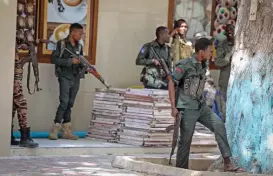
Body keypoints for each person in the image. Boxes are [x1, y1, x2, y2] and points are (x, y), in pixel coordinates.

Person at [168, 38, 243, 172]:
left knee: (219, 125)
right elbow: (171, 82)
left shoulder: (203, 64)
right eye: (209, 51)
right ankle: (181, 171)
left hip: (201, 106)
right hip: (187, 108)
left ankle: (227, 163)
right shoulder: (185, 65)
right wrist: (173, 107)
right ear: (201, 51)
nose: (211, 54)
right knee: (185, 141)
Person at [49, 23, 87, 140]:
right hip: (65, 76)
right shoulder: (61, 44)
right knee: (64, 102)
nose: (81, 36)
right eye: (80, 33)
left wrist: (84, 66)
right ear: (72, 33)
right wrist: (70, 61)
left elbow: (80, 60)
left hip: (76, 77)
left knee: (70, 103)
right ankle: (55, 129)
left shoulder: (79, 46)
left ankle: (67, 131)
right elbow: (54, 59)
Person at [11, 42, 39, 148]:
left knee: (13, 106)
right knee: (21, 103)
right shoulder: (10, 46)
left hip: (15, 79)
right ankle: (25, 137)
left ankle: (9, 135)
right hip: (13, 81)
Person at [214, 24, 234, 123]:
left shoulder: (242, 43)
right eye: (228, 30)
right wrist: (227, 58)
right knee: (225, 106)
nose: (230, 32)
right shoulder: (223, 44)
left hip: (240, 81)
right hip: (226, 80)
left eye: (233, 29)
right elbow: (217, 62)